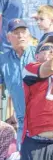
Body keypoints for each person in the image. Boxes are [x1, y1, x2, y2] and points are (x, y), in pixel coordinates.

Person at [0, 18, 36, 149]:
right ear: (8, 37)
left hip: (44, 118)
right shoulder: (3, 60)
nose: (20, 35)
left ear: (29, 34)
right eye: (16, 32)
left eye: (23, 31)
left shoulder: (39, 53)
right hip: (22, 122)